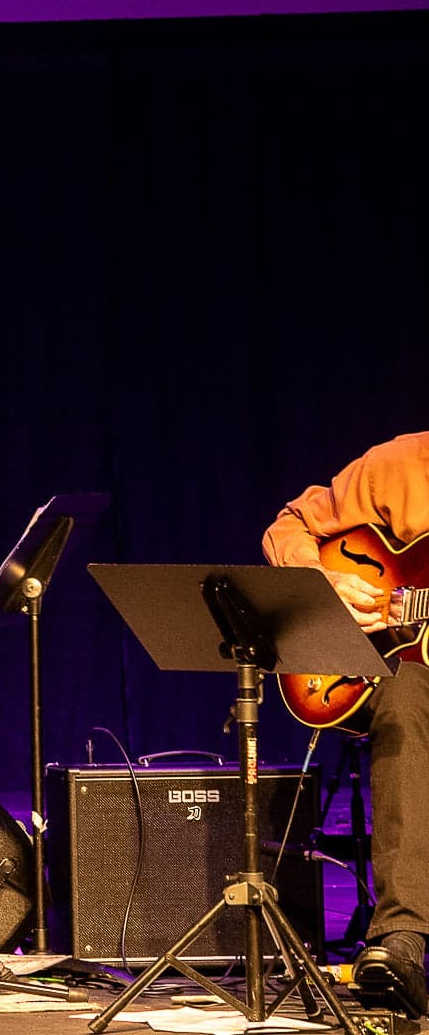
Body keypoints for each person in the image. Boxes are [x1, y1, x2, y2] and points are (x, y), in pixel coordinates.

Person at [263, 432, 429, 1017]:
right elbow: (289, 526)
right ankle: (402, 942)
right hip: (409, 674)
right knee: (406, 696)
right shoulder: (400, 463)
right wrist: (324, 584)